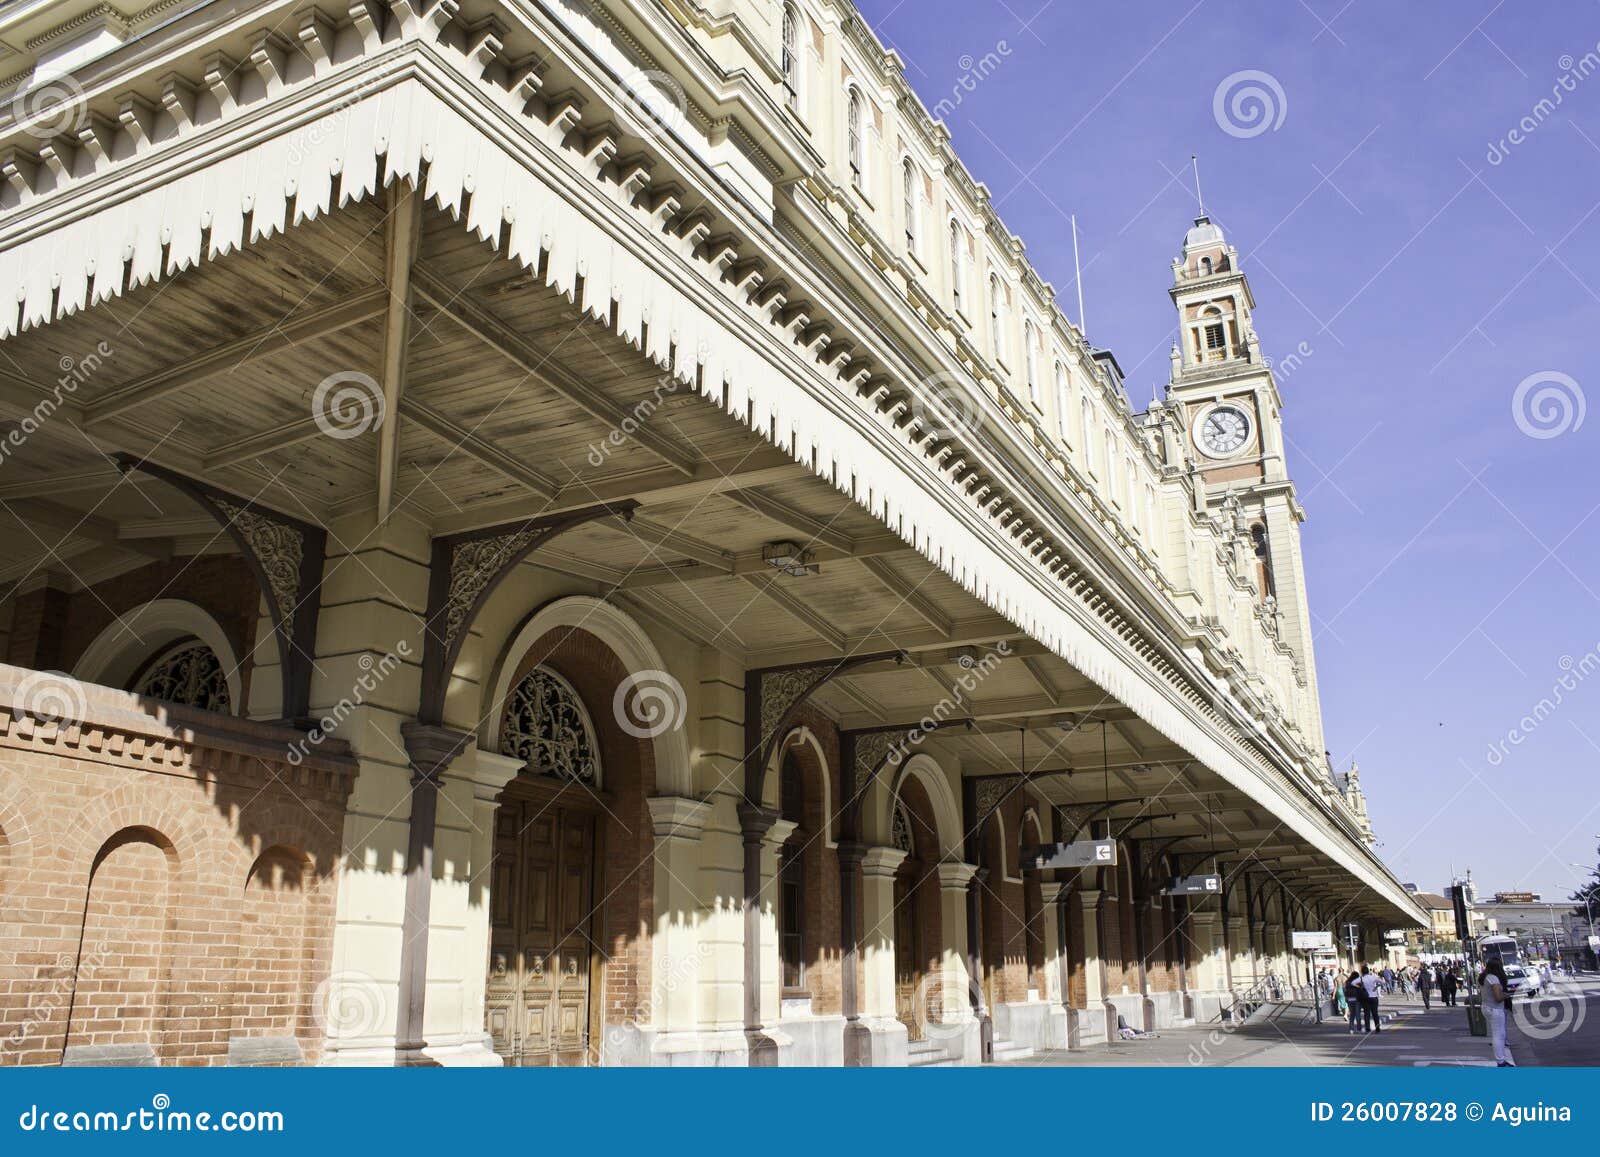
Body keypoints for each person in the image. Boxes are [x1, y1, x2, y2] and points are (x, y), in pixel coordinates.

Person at [1481, 956, 1516, 1067]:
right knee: (1498, 1035)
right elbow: (1498, 997)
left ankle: (1502, 1059)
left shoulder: (1484, 977)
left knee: (1498, 1034)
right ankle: (1500, 1061)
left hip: (1486, 1007)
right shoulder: (1494, 979)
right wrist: (1506, 995)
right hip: (1495, 1009)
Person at [1360, 963, 1383, 1031]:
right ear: (1368, 971)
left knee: (1367, 1013)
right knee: (1375, 1013)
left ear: (1362, 972)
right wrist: (1376, 987)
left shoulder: (1361, 978)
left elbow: (1357, 985)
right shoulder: (1373, 977)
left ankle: (1367, 1028)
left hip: (1365, 997)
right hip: (1373, 997)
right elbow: (1382, 982)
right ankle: (1377, 1027)